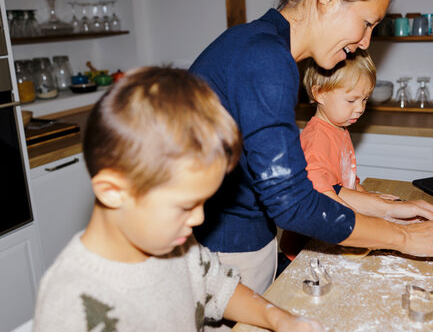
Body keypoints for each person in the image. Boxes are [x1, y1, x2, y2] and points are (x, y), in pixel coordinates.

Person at [190, 0, 433, 295]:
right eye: (366, 23)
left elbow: (306, 183)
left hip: (235, 241)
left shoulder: (253, 43)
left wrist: (387, 209)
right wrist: (402, 237)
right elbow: (293, 204)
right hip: (228, 252)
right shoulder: (266, 60)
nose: (365, 42)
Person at [32, 67, 323, 332]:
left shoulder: (176, 245)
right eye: (186, 206)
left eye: (203, 202)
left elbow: (219, 286)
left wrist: (280, 319)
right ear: (113, 191)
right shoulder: (71, 305)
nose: (198, 218)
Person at [280, 50, 401, 260]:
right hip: (306, 249)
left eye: (364, 99)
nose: (360, 109)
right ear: (319, 94)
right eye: (352, 100)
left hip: (330, 239)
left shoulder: (340, 129)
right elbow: (318, 192)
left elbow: (347, 182)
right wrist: (362, 223)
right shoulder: (317, 138)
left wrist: (371, 201)